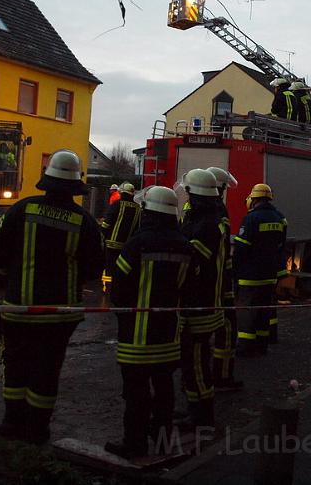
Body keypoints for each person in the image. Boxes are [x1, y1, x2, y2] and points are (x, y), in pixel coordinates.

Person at [0, 149, 104, 444]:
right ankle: (38, 429)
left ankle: (11, 423)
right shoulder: (85, 222)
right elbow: (94, 268)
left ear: (47, 180)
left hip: (18, 309)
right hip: (59, 316)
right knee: (46, 370)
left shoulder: (21, 209)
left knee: (15, 367)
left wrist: (10, 279)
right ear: (75, 186)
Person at [105, 186, 193, 460]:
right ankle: (163, 439)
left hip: (136, 337)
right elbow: (191, 287)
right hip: (168, 336)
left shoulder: (136, 244)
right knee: (165, 390)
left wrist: (122, 313)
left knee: (136, 393)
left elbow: (119, 287)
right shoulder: (185, 247)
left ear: (149, 211)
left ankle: (135, 444)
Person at [179, 169, 225, 428]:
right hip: (201, 299)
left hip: (201, 302)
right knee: (193, 359)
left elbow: (194, 257)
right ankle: (194, 407)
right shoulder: (205, 218)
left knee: (196, 361)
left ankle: (201, 413)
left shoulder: (207, 224)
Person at [233, 183, 287, 357]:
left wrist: (234, 270)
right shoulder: (279, 218)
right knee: (264, 310)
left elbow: (241, 249)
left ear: (254, 199)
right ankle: (262, 345)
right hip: (269, 274)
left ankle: (246, 347)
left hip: (250, 275)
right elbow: (281, 246)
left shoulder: (251, 219)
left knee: (246, 311)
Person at [206, 166, 244, 392]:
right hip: (220, 283)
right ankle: (222, 377)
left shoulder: (194, 208)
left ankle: (202, 379)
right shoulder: (218, 211)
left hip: (210, 283)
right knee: (226, 332)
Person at [100, 182, 141, 294]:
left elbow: (107, 222)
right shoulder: (138, 208)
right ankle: (117, 288)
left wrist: (102, 233)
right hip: (127, 245)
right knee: (120, 269)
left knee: (109, 267)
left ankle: (107, 288)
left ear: (122, 193)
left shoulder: (117, 204)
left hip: (111, 243)